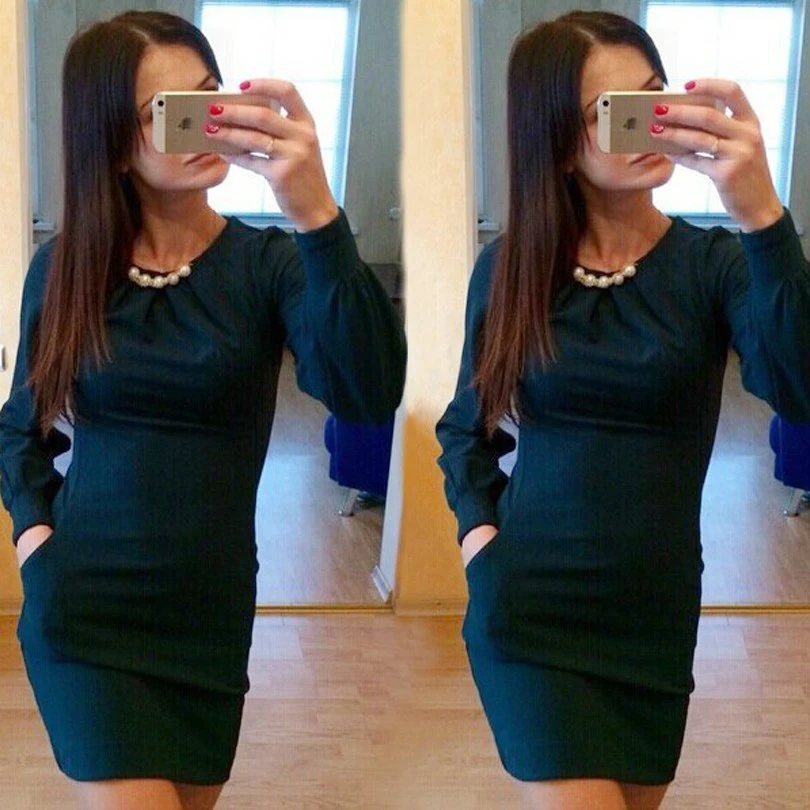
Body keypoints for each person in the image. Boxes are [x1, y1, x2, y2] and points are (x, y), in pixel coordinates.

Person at [0, 11, 405, 810]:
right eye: (170, 110)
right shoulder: (68, 267)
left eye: (210, 97)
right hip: (85, 604)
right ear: (115, 140)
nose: (204, 122)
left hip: (209, 612)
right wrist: (35, 541)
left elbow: (366, 393)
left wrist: (317, 215)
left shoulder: (271, 264)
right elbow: (22, 426)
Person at [436, 11, 810, 810]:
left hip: (655, 613)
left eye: (652, 98)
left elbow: (799, 389)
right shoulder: (511, 268)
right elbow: (466, 427)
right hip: (529, 606)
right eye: (610, 112)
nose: (646, 124)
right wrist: (480, 543)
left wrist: (762, 216)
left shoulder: (714, 265)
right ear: (557, 141)